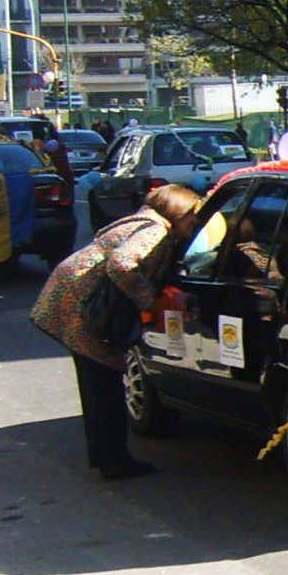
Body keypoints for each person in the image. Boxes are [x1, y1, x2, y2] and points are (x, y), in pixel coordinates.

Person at [31, 184, 203, 481]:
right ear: (176, 210)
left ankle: (109, 456)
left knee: (100, 382)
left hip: (78, 302)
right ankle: (113, 460)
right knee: (103, 386)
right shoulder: (155, 231)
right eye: (191, 215)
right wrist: (149, 298)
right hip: (84, 308)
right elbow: (122, 266)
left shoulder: (148, 223)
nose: (195, 222)